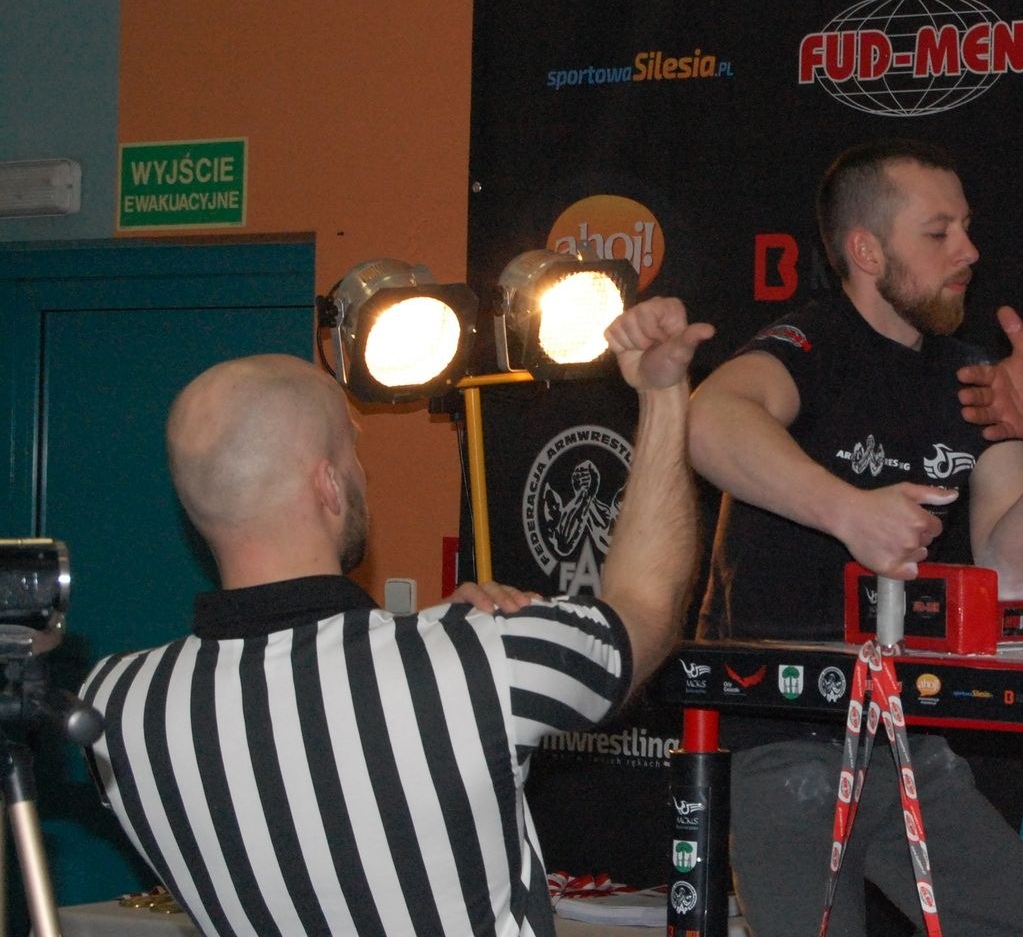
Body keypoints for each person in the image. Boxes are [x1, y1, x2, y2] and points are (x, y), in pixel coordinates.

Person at [79, 298, 712, 937]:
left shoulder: (111, 707)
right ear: (328, 485)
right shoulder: (481, 660)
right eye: (352, 452)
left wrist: (433, 636)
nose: (363, 471)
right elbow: (646, 608)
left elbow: (309, 730)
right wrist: (662, 395)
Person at [688, 139, 1023, 936]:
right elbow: (710, 419)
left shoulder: (971, 374)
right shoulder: (810, 345)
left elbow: (1009, 571)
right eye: (939, 232)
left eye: (966, 227)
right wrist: (848, 511)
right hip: (787, 741)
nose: (969, 250)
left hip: (911, 744)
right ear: (866, 251)